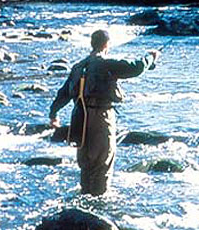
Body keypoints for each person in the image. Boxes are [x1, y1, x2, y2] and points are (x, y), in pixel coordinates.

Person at [49, 29, 160, 196]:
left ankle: (84, 199)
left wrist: (53, 114)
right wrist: (151, 57)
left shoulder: (78, 67)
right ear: (107, 44)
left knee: (86, 164)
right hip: (101, 118)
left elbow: (63, 93)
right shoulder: (106, 63)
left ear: (91, 44)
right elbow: (136, 68)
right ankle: (100, 203)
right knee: (103, 162)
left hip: (80, 119)